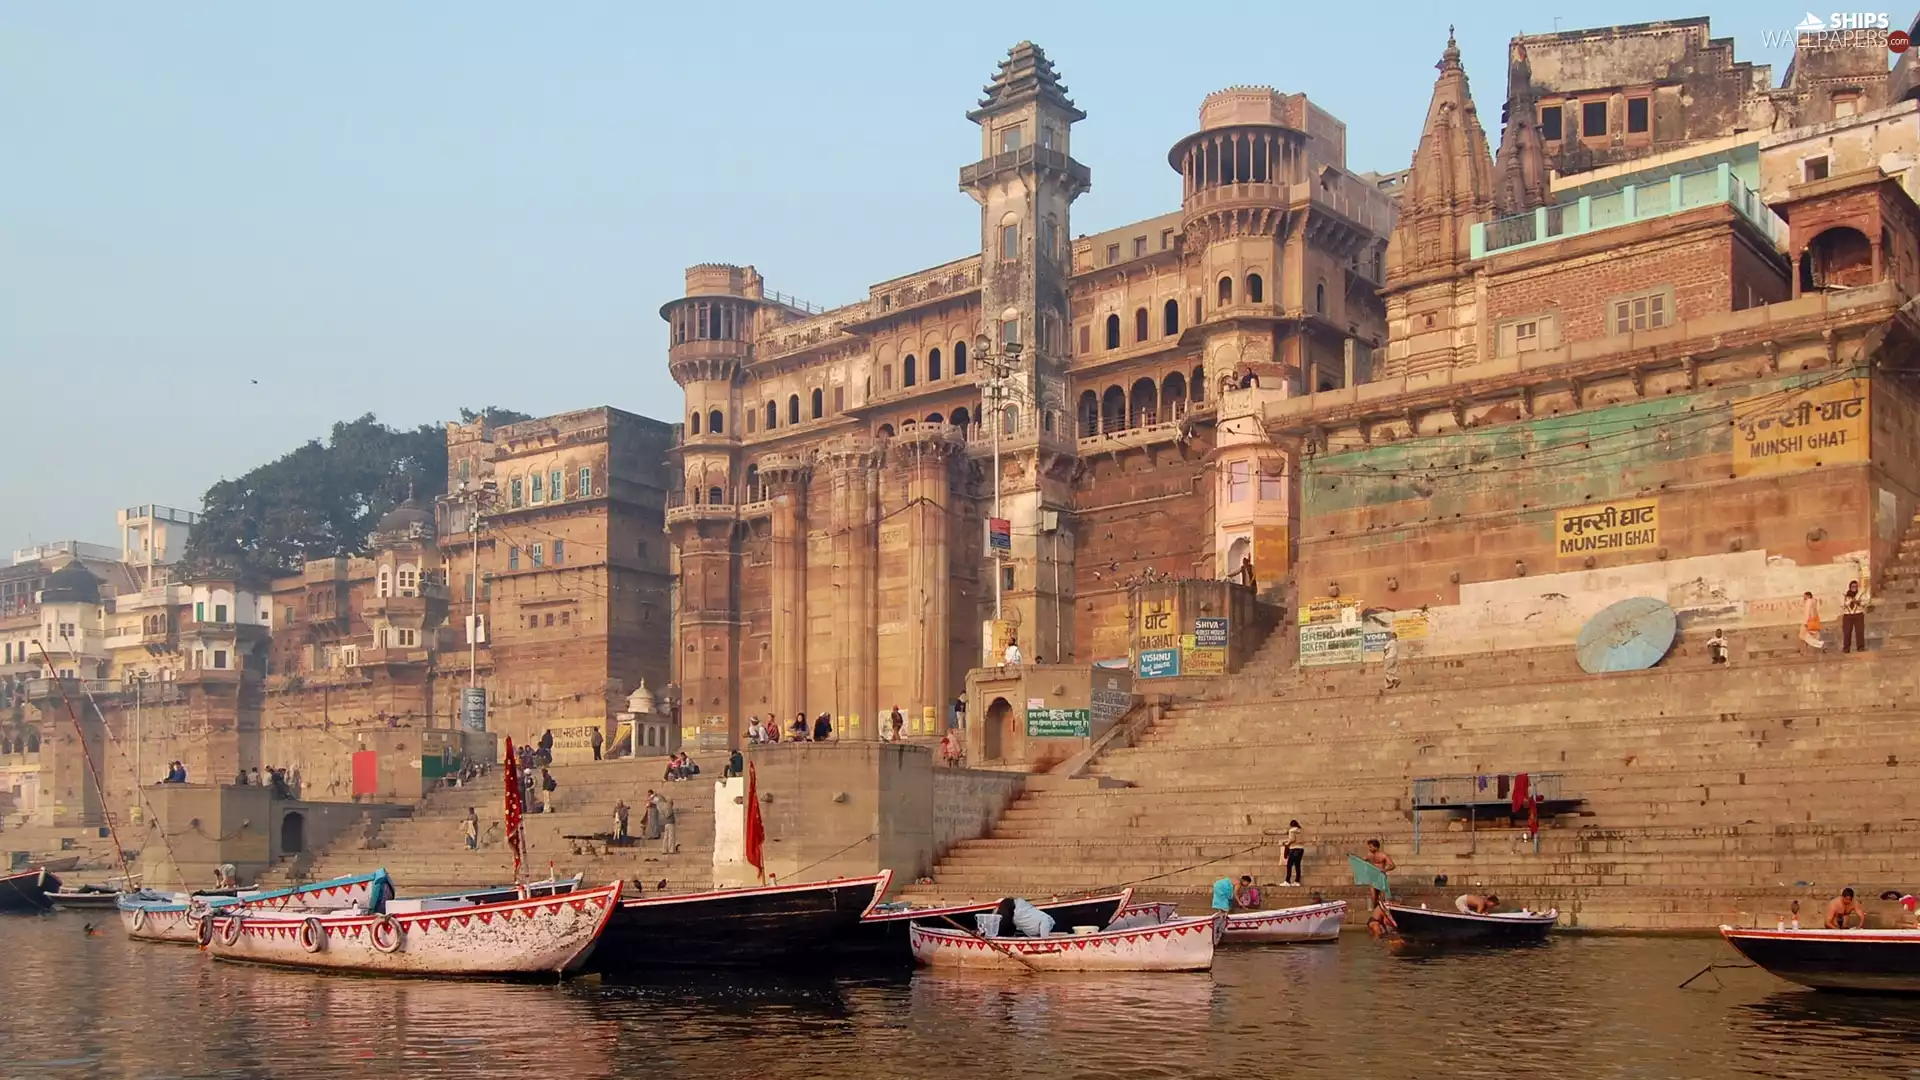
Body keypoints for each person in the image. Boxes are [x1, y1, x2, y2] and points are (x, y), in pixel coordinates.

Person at [1363, 838, 1396, 935]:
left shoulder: (1383, 855)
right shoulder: (1369, 855)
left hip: (1381, 878)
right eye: (1369, 847)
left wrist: (1384, 870)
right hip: (1373, 878)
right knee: (1374, 898)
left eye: (1371, 847)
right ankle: (1375, 916)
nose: (1369, 848)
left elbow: (1392, 865)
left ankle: (1382, 916)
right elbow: (1362, 862)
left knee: (1381, 898)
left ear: (1376, 847)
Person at [1841, 580, 1866, 653]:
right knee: (1847, 632)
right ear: (1850, 587)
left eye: (1855, 586)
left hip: (1858, 614)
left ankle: (1861, 647)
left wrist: (1858, 602)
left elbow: (1865, 603)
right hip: (1847, 615)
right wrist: (1848, 601)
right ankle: (1846, 648)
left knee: (1859, 631)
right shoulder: (1845, 595)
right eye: (1852, 586)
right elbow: (1842, 605)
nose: (1854, 588)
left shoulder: (1860, 594)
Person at [1282, 819, 1304, 886]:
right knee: (1297, 865)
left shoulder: (1291, 830)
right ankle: (1297, 881)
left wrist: (1287, 844)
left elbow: (1292, 839)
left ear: (1291, 825)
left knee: (1289, 865)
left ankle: (1287, 881)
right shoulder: (1301, 830)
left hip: (1294, 849)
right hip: (1301, 849)